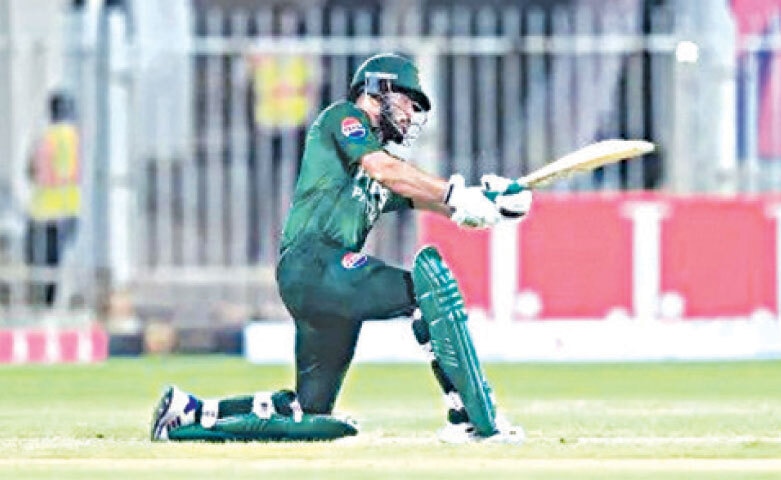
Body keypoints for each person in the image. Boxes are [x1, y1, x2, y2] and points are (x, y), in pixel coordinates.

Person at [150, 53, 532, 443]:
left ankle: (191, 415)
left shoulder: (378, 164)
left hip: (320, 282)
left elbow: (421, 195)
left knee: (310, 415)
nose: (410, 114)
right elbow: (388, 172)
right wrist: (457, 195)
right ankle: (470, 417)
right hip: (316, 263)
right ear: (378, 89)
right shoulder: (344, 119)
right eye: (406, 100)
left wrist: (486, 203)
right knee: (426, 291)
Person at [25, 92, 81, 307]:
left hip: (44, 210)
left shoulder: (46, 137)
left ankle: (42, 305)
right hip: (67, 209)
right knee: (57, 264)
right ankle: (54, 303)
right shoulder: (74, 138)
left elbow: (31, 170)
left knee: (41, 266)